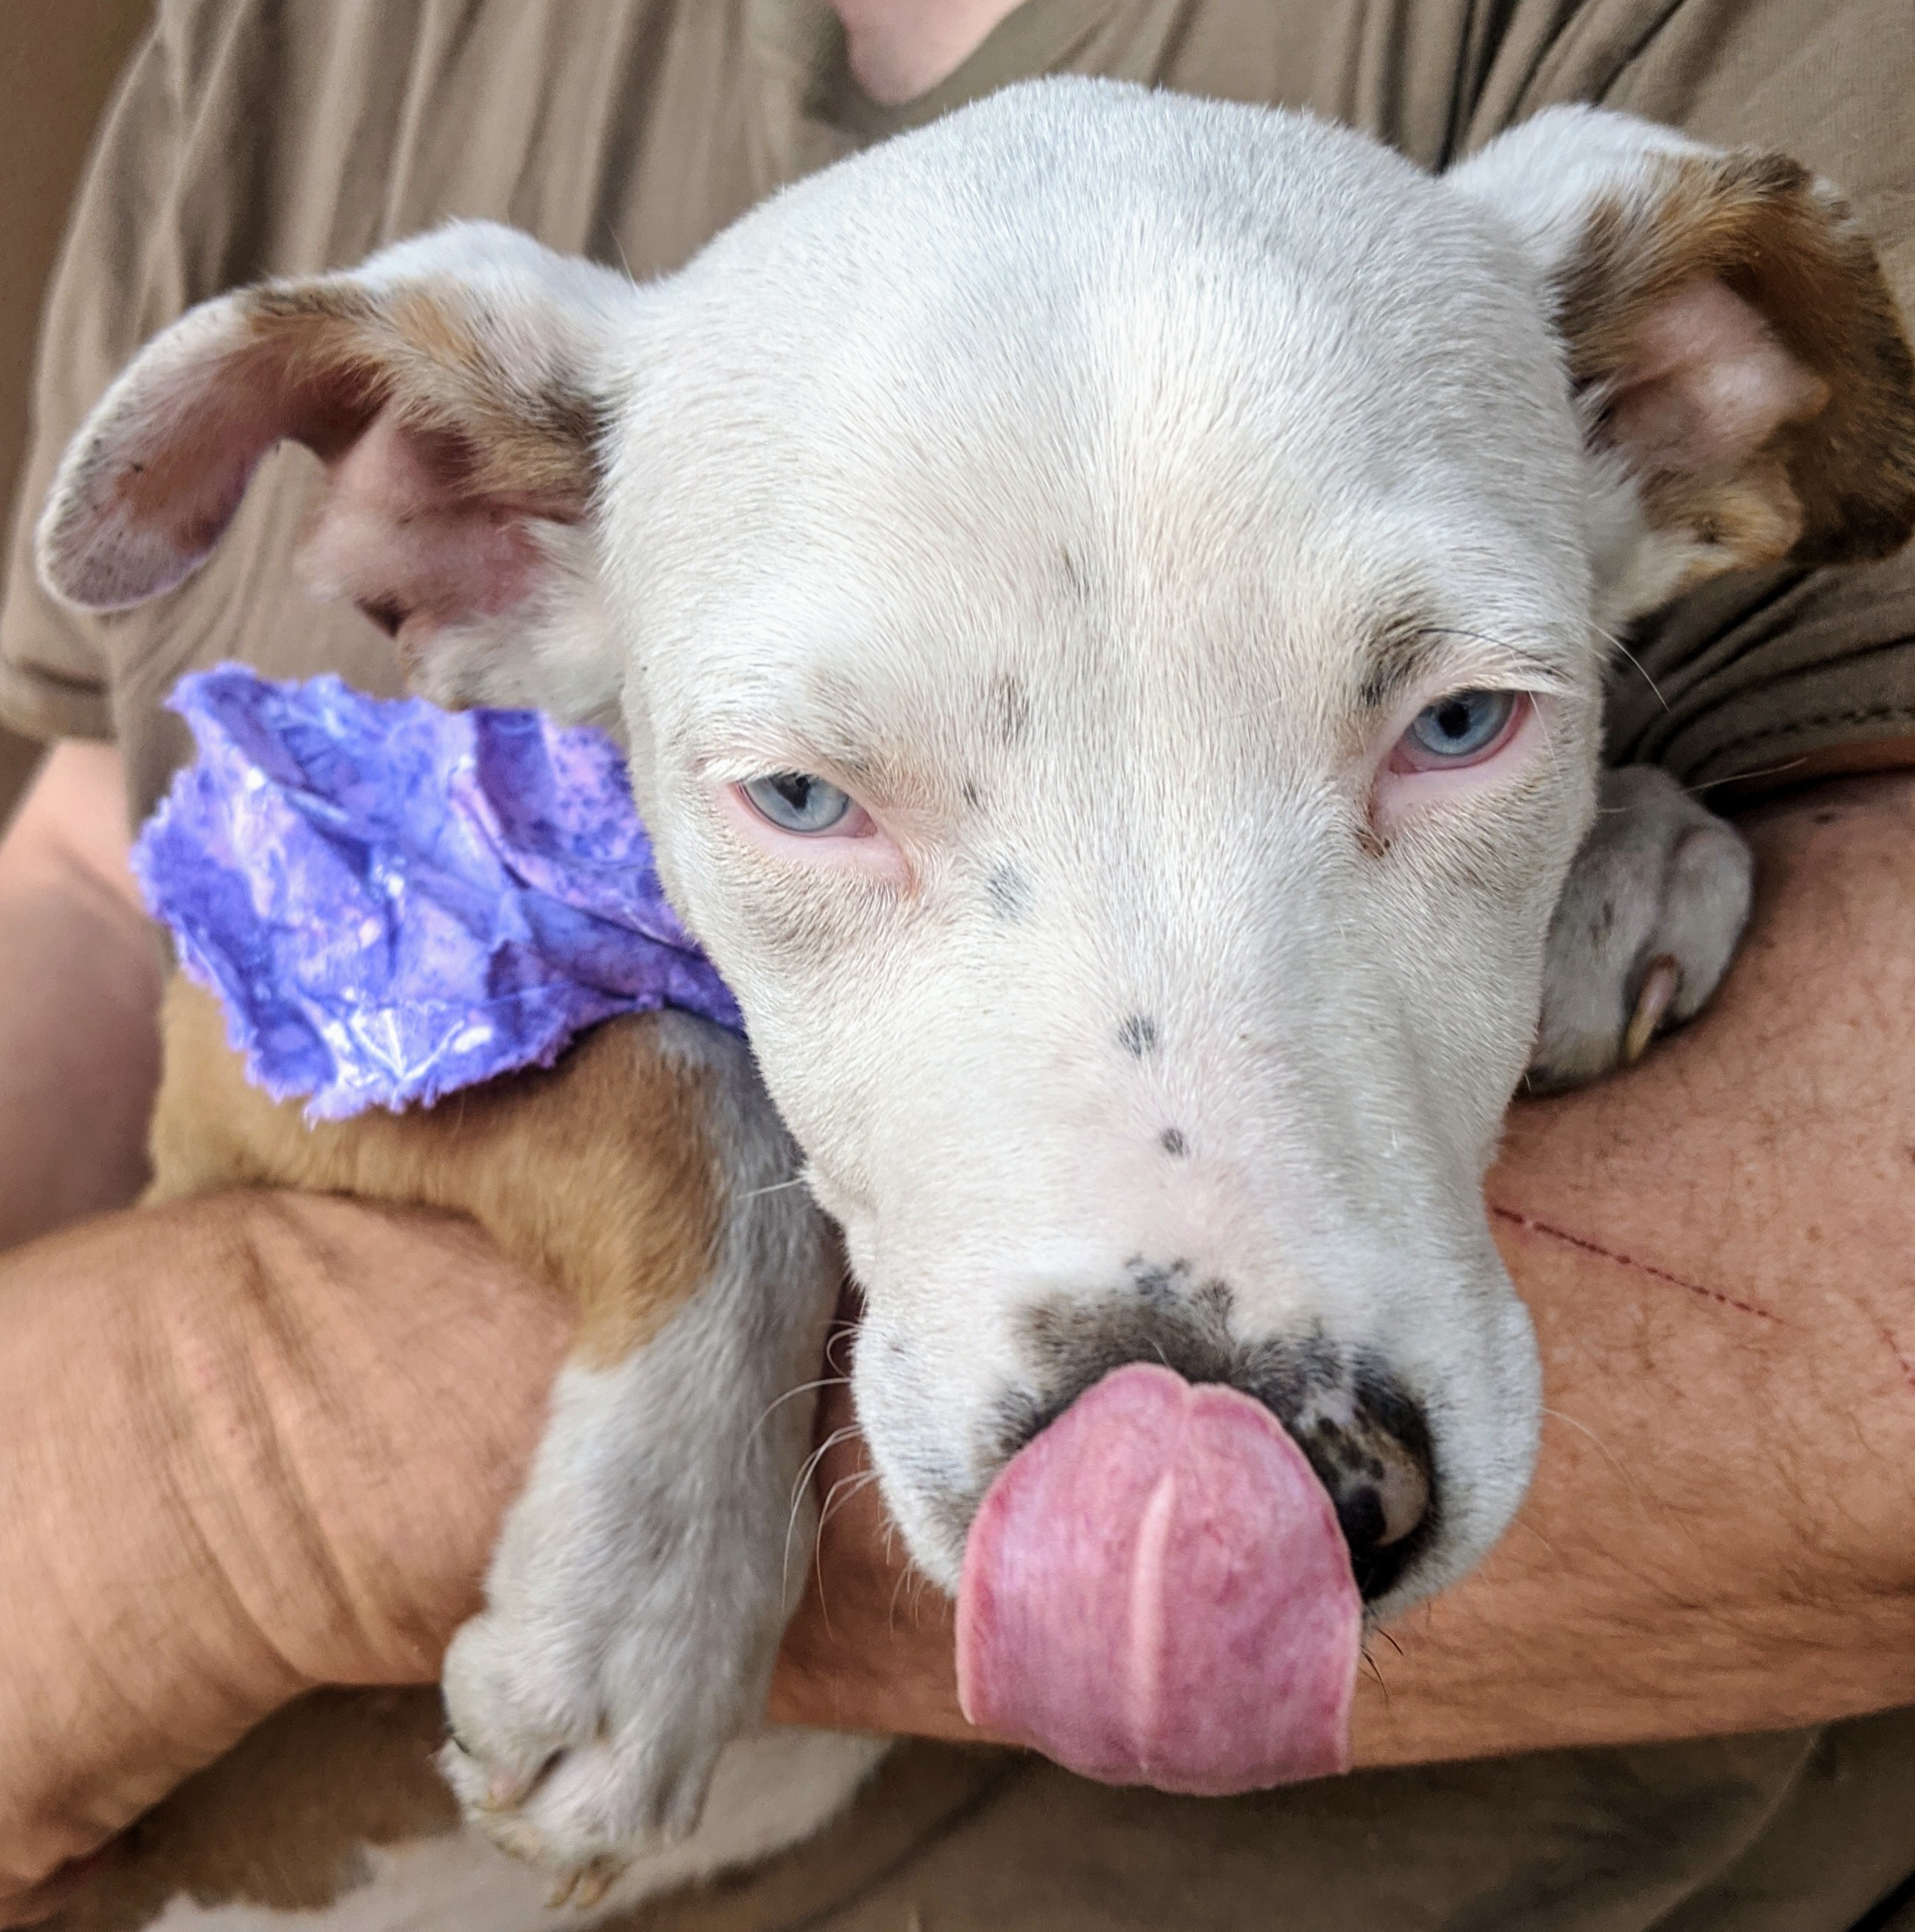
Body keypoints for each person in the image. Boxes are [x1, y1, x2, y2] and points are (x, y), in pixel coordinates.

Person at [3, 1, 1914, 1927]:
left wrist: (230, 1490)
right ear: (481, 522)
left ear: (1667, 399)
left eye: (1453, 720)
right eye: (810, 793)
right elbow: (89, 879)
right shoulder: (279, 51)